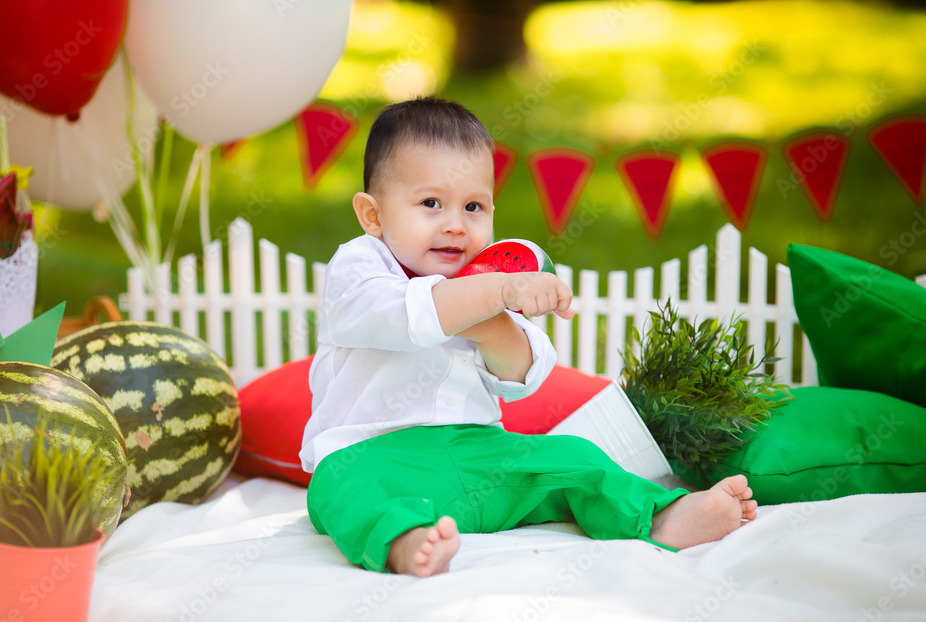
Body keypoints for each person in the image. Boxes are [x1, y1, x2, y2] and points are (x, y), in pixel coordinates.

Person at [300, 96, 757, 578]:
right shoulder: (360, 267)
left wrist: (495, 320)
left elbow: (523, 373)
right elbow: (398, 316)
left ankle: (660, 514)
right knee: (341, 486)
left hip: (477, 456)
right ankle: (405, 539)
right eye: (431, 203)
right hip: (371, 455)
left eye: (473, 206)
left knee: (571, 455)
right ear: (372, 215)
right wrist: (493, 291)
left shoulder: (481, 278)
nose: (455, 224)